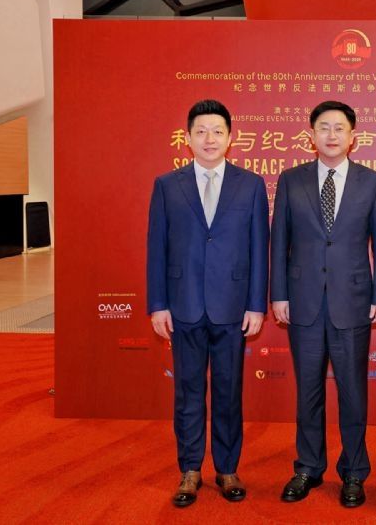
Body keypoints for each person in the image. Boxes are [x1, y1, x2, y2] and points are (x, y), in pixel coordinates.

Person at [146, 99, 269, 507]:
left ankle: (228, 468)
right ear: (187, 138)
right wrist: (158, 304)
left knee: (229, 391)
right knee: (188, 391)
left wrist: (256, 305)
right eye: (201, 131)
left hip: (232, 307)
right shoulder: (167, 185)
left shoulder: (251, 185)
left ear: (231, 138)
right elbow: (157, 248)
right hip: (183, 305)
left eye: (217, 131)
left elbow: (259, 248)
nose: (209, 139)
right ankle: (190, 469)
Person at [270, 100, 376, 508]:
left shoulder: (372, 182)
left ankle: (354, 471)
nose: (332, 134)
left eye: (340, 128)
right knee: (308, 391)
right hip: (302, 301)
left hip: (352, 302)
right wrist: (279, 294)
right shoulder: (291, 179)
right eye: (324, 127)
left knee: (353, 393)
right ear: (312, 135)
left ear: (353, 136)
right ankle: (308, 466)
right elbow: (279, 241)